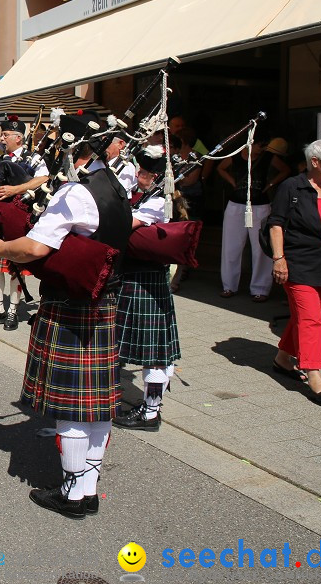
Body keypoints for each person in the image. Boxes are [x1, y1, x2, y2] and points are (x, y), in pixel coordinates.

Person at [0, 112, 131, 519]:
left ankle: (71, 496)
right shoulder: (116, 186)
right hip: (106, 301)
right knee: (97, 404)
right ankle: (87, 489)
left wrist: (1, 248)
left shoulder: (76, 193)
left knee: (72, 407)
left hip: (72, 305)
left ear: (73, 147)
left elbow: (35, 248)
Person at [269, 140, 321, 404]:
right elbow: (276, 224)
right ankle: (314, 373)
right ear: (315, 162)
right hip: (298, 264)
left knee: (306, 316)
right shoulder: (291, 187)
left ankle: (283, 359)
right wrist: (279, 259)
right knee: (311, 320)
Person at [112, 145, 181, 431]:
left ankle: (150, 412)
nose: (137, 174)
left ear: (154, 176)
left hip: (147, 280)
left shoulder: (158, 202)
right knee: (138, 346)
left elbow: (126, 223)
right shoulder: (141, 193)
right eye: (138, 170)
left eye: (142, 172)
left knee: (154, 353)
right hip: (133, 277)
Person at [0, 117, 48, 330]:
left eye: (5, 135)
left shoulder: (33, 158)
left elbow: (44, 178)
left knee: (16, 266)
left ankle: (12, 311)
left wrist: (16, 189)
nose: (1, 138)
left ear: (18, 138)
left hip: (20, 219)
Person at [217, 135, 290, 301]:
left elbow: (285, 169)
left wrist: (270, 184)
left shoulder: (268, 156)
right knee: (231, 246)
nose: (261, 149)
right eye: (260, 145)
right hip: (236, 202)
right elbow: (220, 168)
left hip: (260, 204)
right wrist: (232, 182)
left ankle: (260, 288)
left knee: (260, 248)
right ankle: (228, 285)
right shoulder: (236, 155)